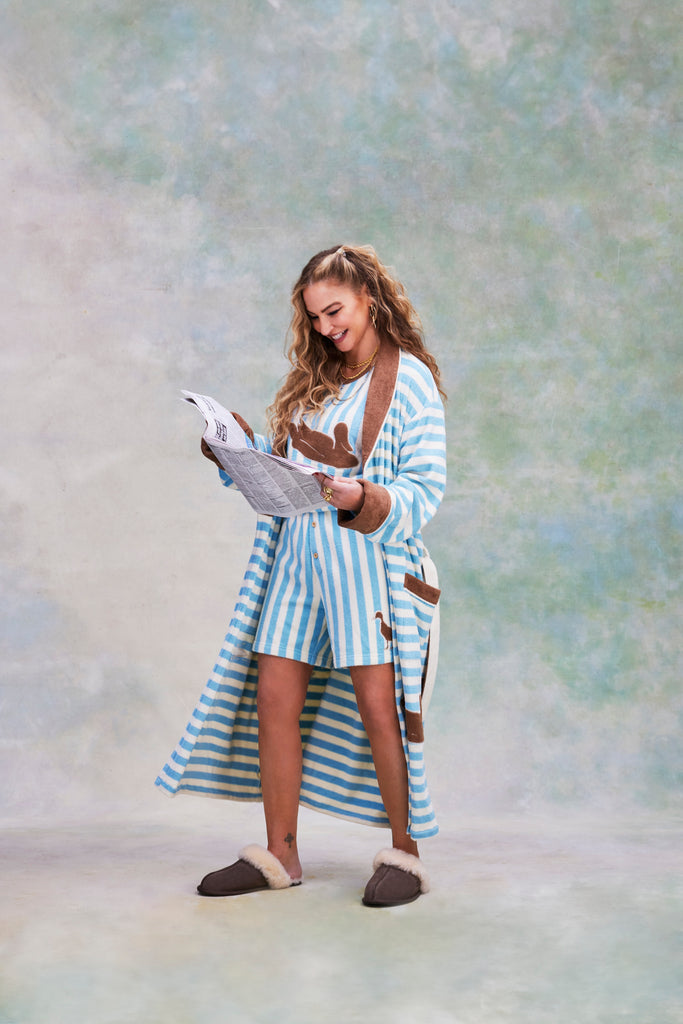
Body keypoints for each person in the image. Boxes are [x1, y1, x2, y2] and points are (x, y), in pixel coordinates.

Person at [156, 244, 447, 907]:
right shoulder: (316, 382)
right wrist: (236, 450)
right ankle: (279, 856)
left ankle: (404, 854)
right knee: (272, 700)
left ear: (369, 298)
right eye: (314, 317)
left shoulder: (408, 383)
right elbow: (290, 476)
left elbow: (424, 489)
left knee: (381, 708)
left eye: (334, 311)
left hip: (364, 565)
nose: (323, 328)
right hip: (296, 561)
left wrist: (361, 497)